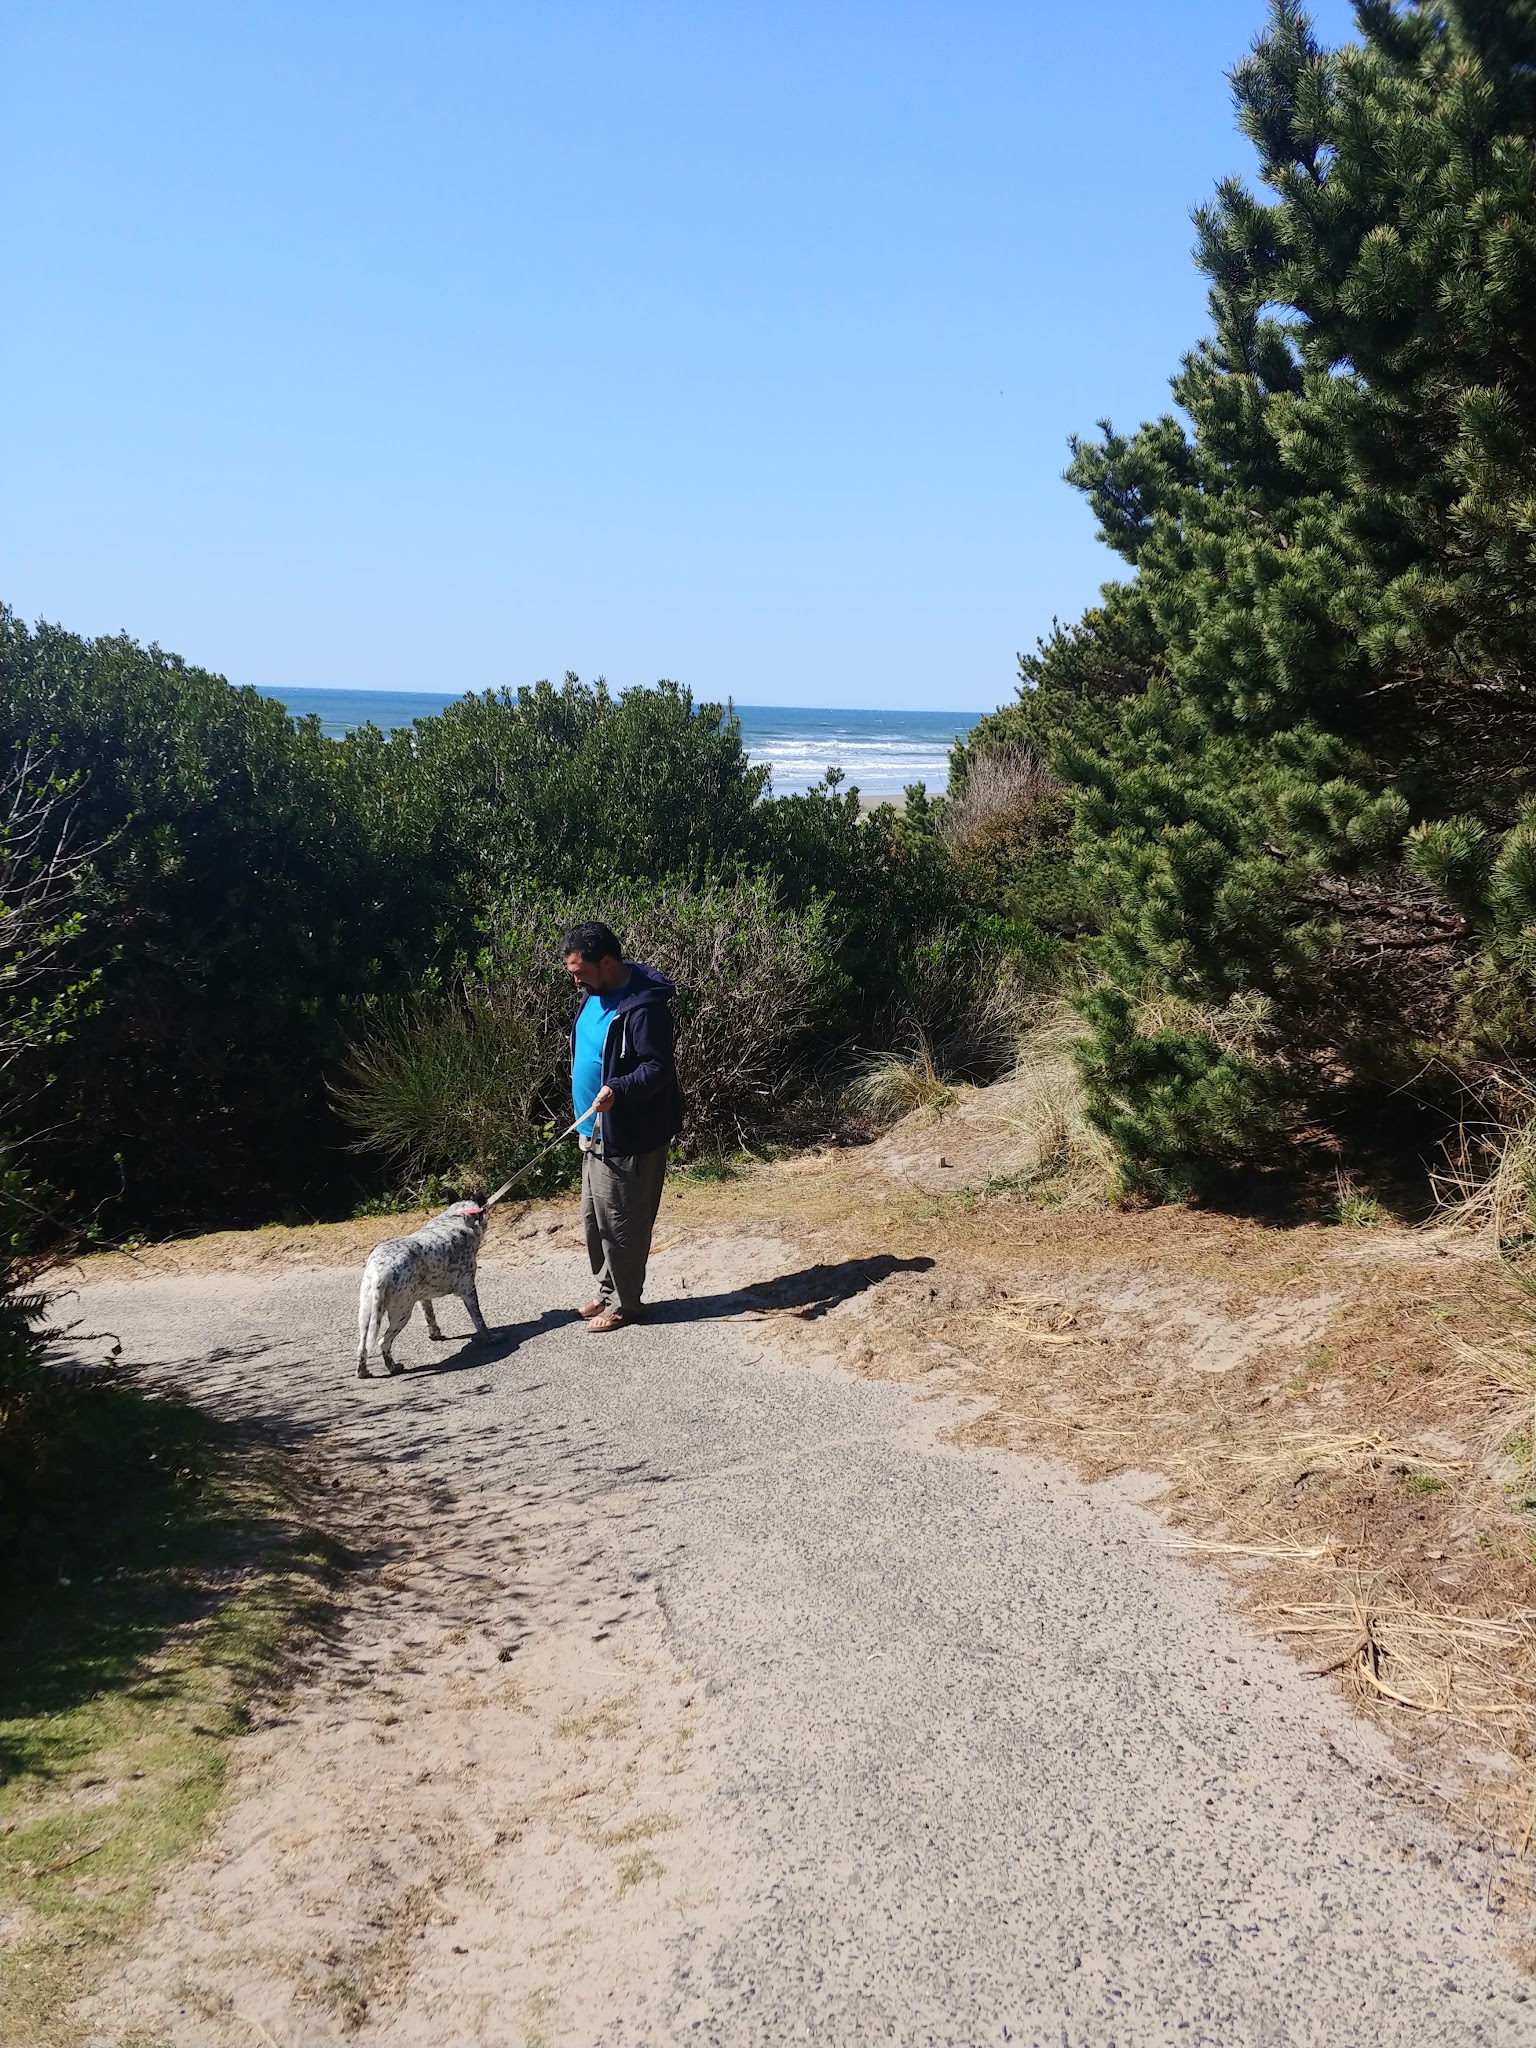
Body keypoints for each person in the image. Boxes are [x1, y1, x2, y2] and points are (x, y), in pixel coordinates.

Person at [561, 922, 683, 1332]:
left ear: (607, 962)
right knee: (596, 1219)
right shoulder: (592, 993)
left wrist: (618, 1089)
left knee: (623, 1223)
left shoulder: (644, 1007)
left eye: (579, 970)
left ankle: (627, 1304)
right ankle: (607, 1288)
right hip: (592, 1130)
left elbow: (658, 1068)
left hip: (629, 1132)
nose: (574, 979)